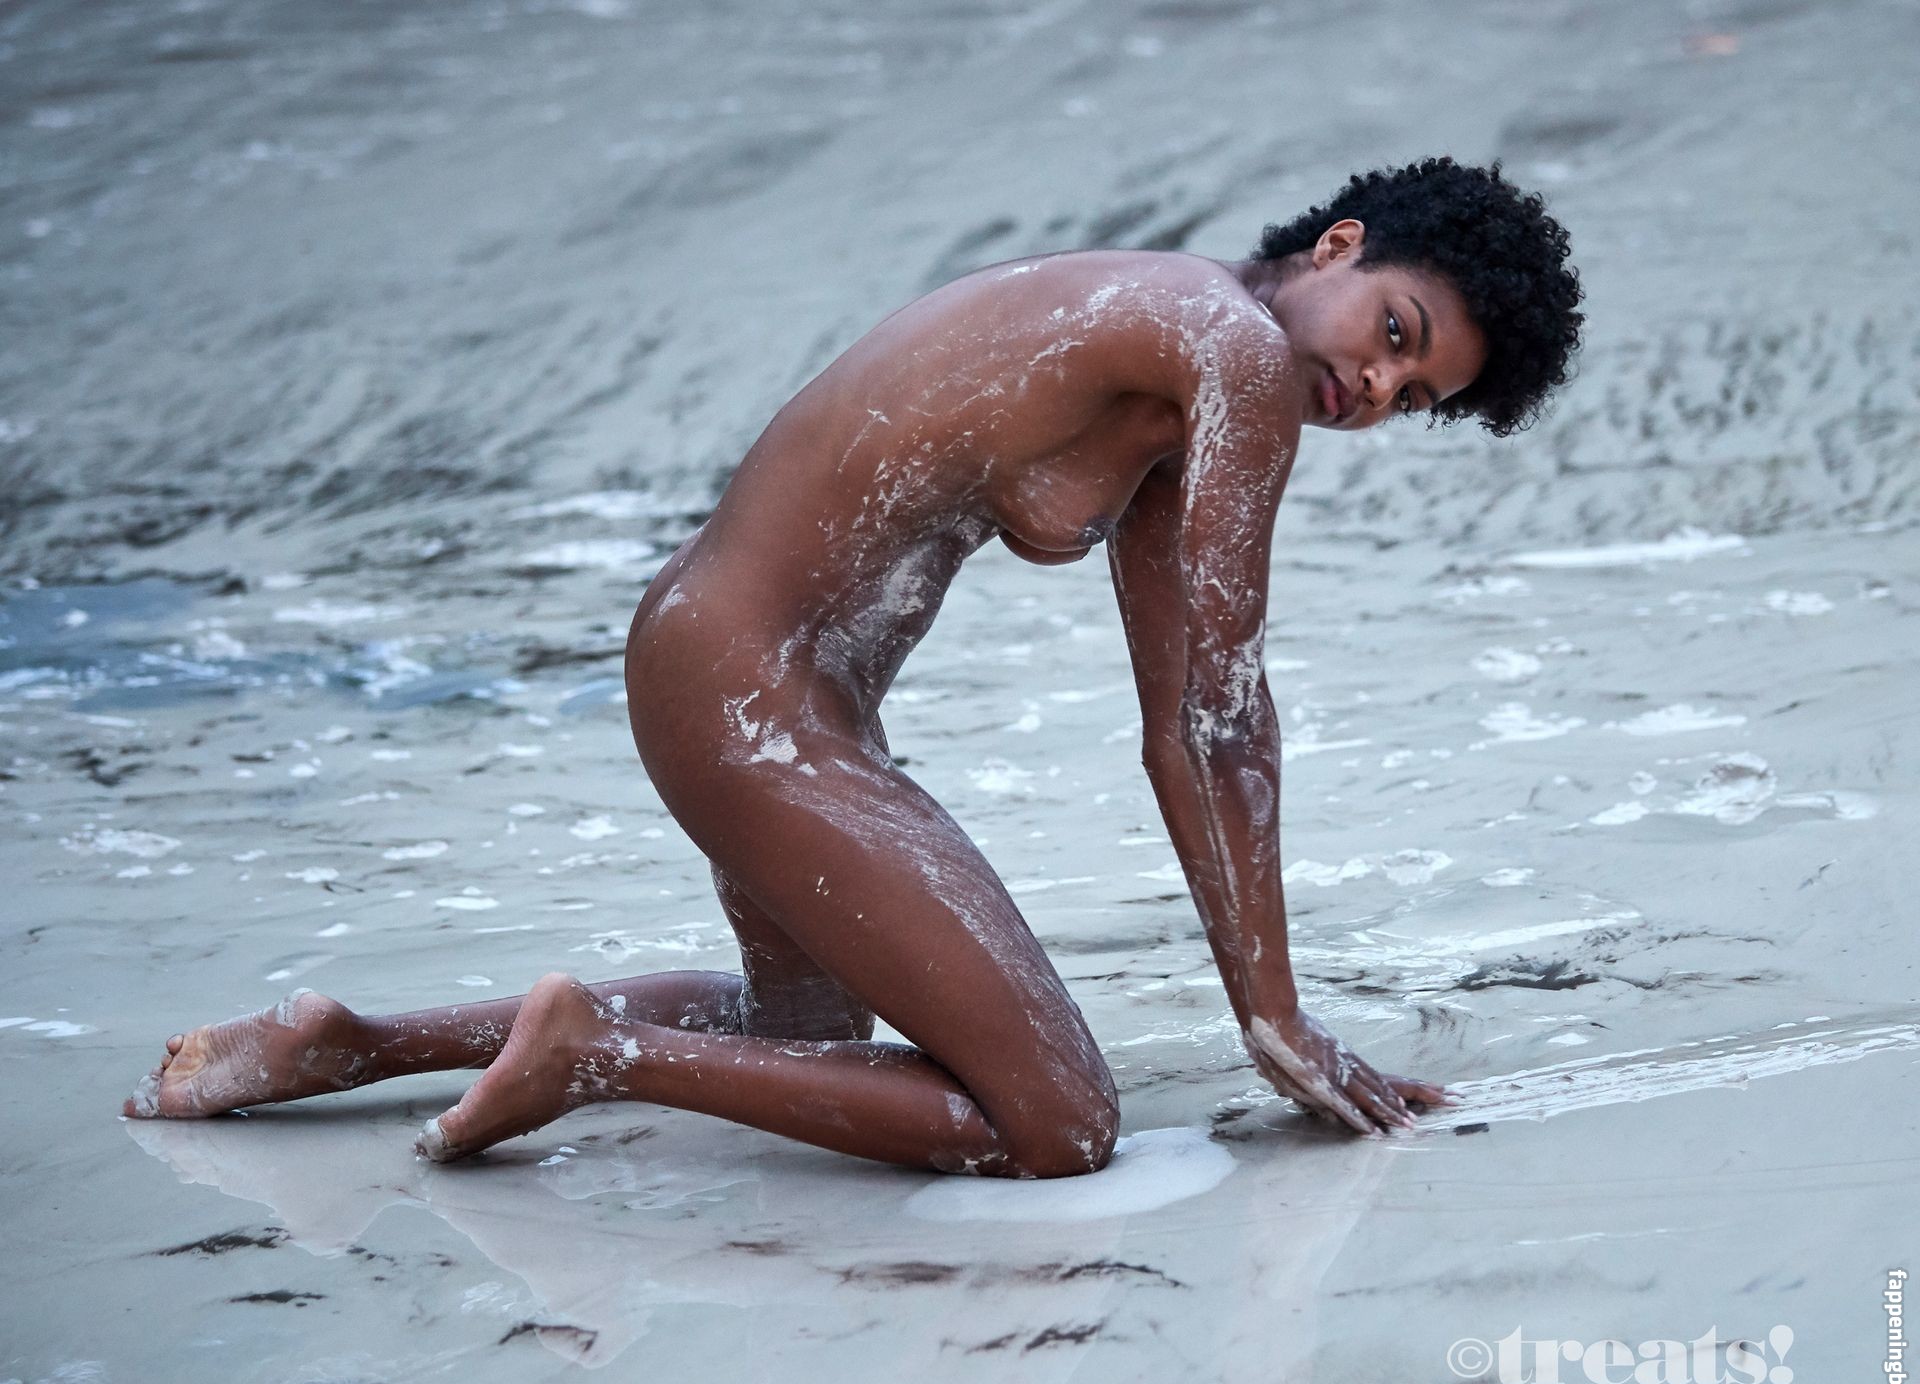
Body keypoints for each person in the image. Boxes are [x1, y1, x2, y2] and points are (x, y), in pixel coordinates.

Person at [125, 158, 1583, 1179]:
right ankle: (591, 1055)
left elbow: (1181, 726)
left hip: (742, 682)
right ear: (1337, 247)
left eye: (1413, 395)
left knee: (805, 1030)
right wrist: (1277, 1024)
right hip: (746, 697)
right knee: (1061, 1125)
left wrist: (1267, 1009)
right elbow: (1229, 720)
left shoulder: (1178, 386)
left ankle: (356, 1045)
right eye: (1396, 332)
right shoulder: (1232, 354)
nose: (1375, 387)